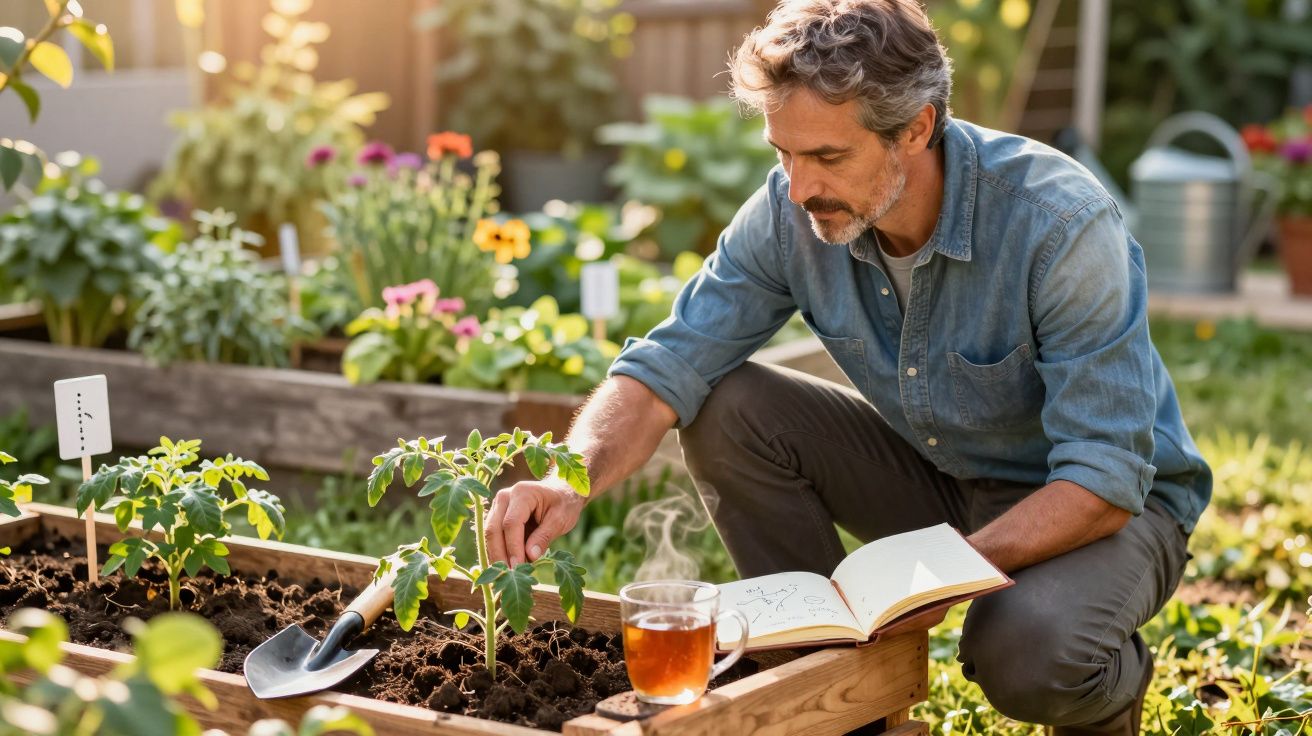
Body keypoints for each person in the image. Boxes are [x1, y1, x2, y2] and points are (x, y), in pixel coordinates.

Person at [485, 1, 1211, 732]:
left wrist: (943, 573)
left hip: (1107, 509)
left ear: (918, 127)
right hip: (946, 475)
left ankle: (1110, 687)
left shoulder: (1059, 225)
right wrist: (565, 477)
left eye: (828, 157)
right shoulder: (789, 212)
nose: (798, 188)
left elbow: (1105, 476)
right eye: (783, 153)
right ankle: (829, 688)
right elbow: (671, 358)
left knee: (1028, 652)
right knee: (726, 404)